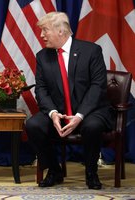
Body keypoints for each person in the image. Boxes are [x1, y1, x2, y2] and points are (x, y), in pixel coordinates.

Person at [26, 12, 114, 190]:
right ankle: (54, 170)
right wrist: (53, 113)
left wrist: (80, 115)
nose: (41, 35)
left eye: (45, 30)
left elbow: (98, 86)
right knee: (33, 125)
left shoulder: (91, 51)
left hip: (89, 111)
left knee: (92, 126)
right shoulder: (43, 56)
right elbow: (41, 89)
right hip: (59, 111)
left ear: (60, 31)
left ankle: (91, 173)